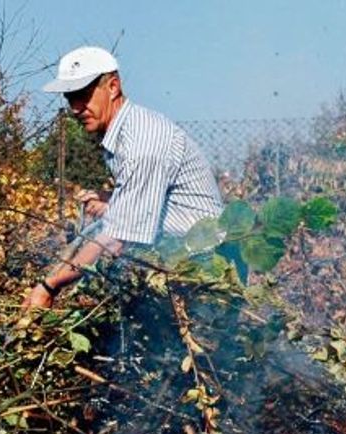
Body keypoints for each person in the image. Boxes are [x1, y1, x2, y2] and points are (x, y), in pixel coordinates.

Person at [24, 46, 224, 309]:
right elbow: (157, 200)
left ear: (113, 86)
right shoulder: (127, 132)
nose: (75, 108)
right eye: (70, 98)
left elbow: (116, 241)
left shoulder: (142, 141)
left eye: (83, 95)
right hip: (180, 257)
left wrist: (51, 286)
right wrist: (111, 201)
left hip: (209, 265)